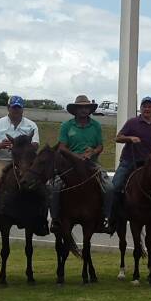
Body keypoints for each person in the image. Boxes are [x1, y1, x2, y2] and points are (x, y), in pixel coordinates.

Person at [112, 96, 151, 223]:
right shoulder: (132, 122)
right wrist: (130, 138)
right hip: (129, 160)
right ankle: (114, 217)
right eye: (144, 106)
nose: (147, 109)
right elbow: (118, 138)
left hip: (149, 162)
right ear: (140, 109)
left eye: (150, 106)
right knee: (116, 185)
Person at [52, 95, 110, 232]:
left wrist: (92, 153)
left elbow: (100, 146)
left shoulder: (96, 125)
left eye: (86, 107)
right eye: (81, 107)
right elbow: (62, 147)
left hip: (92, 163)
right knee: (54, 186)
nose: (84, 110)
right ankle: (55, 219)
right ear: (75, 110)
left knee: (110, 187)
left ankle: (105, 218)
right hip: (69, 165)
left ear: (90, 109)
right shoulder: (66, 126)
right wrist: (76, 157)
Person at [0, 96, 40, 221]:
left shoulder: (31, 125)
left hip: (25, 162)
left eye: (19, 108)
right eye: (13, 108)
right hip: (3, 159)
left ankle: (42, 218)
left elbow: (36, 145)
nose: (16, 110)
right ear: (8, 108)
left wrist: (20, 146)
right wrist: (1, 145)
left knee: (42, 184)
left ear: (23, 109)